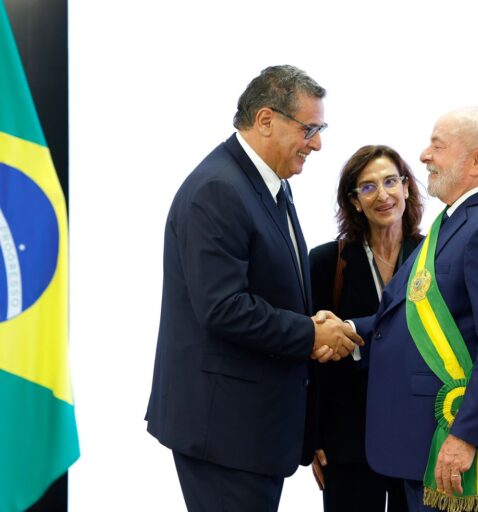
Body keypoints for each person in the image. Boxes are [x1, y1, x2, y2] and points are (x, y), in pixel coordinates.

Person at [144, 64, 362, 512]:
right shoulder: (218, 189)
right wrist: (310, 333)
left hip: (251, 430)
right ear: (266, 120)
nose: (317, 144)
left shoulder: (268, 184)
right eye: (309, 129)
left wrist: (312, 321)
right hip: (225, 434)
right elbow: (223, 307)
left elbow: (270, 285)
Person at [350, 107, 478, 512]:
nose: (424, 156)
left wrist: (466, 435)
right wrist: (348, 330)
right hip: (421, 442)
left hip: (451, 446)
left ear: (477, 160)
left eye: (438, 146)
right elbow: (406, 317)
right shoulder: (457, 221)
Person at [308, 145, 424, 511]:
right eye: (368, 187)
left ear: (406, 187)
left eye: (391, 181)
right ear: (355, 201)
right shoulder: (327, 262)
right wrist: (312, 437)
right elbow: (310, 359)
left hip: (419, 439)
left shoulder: (434, 258)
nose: (383, 195)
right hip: (347, 441)